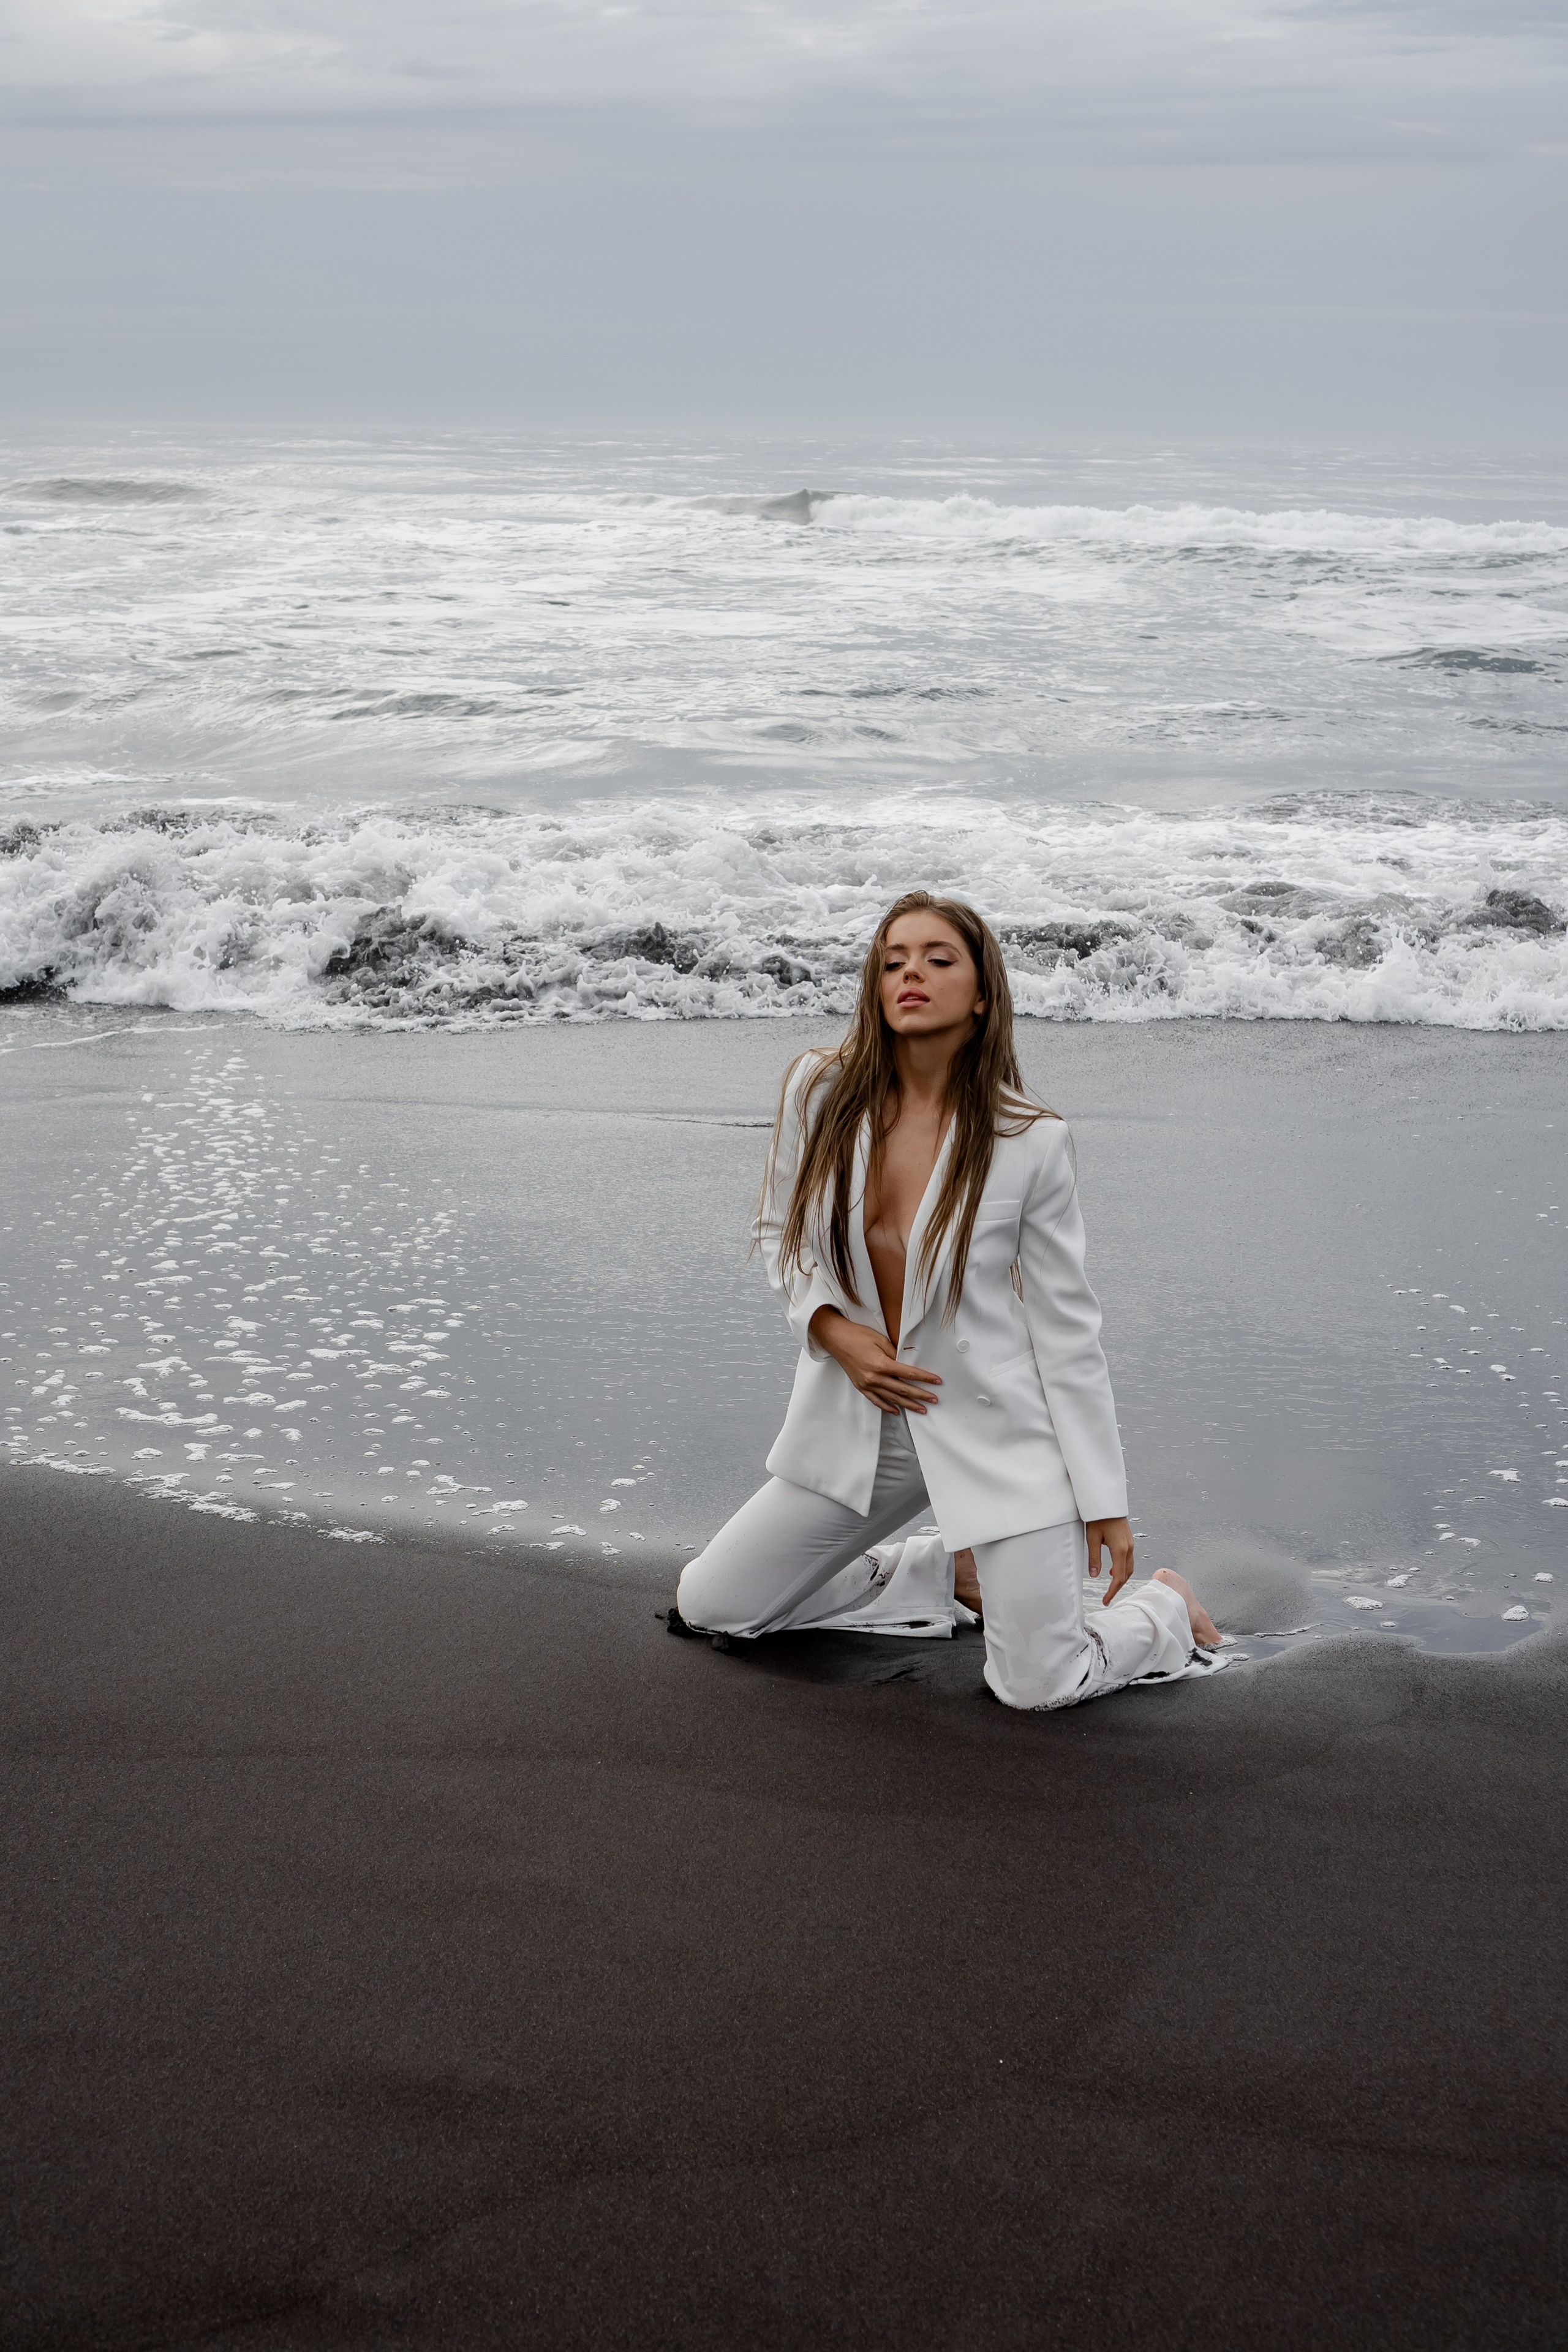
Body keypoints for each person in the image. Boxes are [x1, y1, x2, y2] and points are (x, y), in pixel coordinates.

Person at [671, 890, 1223, 1710]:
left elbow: (1067, 1330)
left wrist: (1106, 1500)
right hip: (869, 1424)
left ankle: (1168, 1612)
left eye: (937, 959)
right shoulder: (819, 1092)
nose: (911, 976)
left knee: (1038, 1686)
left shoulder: (1030, 1140)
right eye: (893, 961)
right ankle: (940, 1569)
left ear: (983, 991)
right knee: (715, 1604)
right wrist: (835, 1332)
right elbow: (781, 1235)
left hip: (999, 1434)